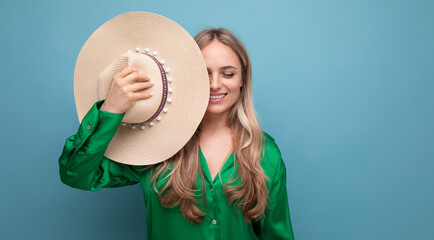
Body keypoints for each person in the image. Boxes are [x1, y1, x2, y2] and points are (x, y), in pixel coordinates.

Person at [59, 27, 295, 240]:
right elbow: (76, 174)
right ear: (189, 75)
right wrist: (110, 110)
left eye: (228, 73)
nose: (214, 84)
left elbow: (277, 235)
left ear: (243, 78)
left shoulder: (265, 152)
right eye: (205, 72)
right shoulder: (153, 144)